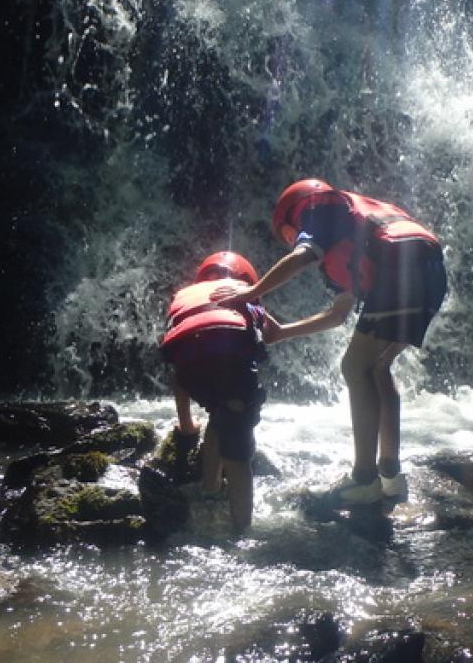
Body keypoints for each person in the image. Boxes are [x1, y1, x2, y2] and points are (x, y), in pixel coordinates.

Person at [211, 179, 447, 505]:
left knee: (354, 366)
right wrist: (282, 333)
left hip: (400, 265)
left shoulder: (318, 206)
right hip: (431, 267)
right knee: (378, 368)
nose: (292, 240)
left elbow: (303, 255)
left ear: (292, 215)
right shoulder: (355, 226)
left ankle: (364, 479)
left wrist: (251, 292)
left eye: (288, 234)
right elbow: (338, 315)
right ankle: (391, 475)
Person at [160, 251, 274, 531]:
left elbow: (176, 373)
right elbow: (268, 335)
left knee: (217, 413)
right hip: (232, 361)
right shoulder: (246, 294)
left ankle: (210, 488)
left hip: (188, 364)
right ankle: (242, 531)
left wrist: (186, 426)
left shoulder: (187, 295)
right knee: (237, 447)